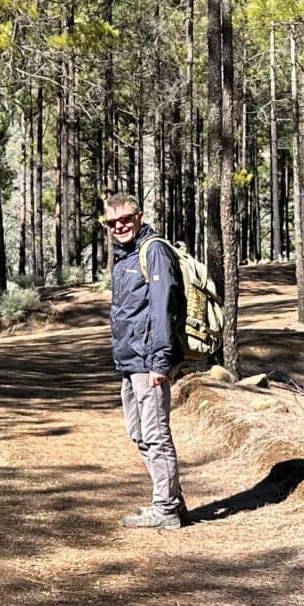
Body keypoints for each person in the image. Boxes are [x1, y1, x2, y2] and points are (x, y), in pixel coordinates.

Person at [102, 193, 187, 529]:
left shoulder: (154, 251)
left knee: (155, 434)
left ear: (139, 217)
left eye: (125, 219)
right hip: (130, 360)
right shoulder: (126, 257)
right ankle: (172, 499)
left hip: (149, 360)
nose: (119, 226)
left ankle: (165, 508)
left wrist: (160, 361)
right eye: (112, 222)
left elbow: (162, 308)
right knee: (139, 432)